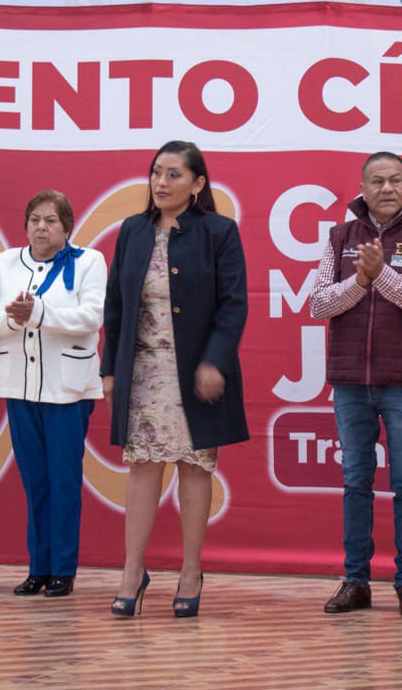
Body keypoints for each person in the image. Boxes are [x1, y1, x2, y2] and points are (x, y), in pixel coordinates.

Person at [101, 140, 248, 618]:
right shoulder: (132, 231)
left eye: (174, 175)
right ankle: (132, 570)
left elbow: (233, 306)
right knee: (142, 468)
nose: (161, 183)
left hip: (193, 372)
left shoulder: (219, 232)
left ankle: (190, 571)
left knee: (193, 468)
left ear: (198, 184)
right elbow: (115, 307)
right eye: (156, 173)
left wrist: (214, 362)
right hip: (142, 370)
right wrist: (108, 370)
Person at [311, 151, 402, 619]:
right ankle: (356, 580)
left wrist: (381, 275)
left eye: (394, 180)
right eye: (377, 181)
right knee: (355, 482)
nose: (386, 189)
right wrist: (360, 281)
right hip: (350, 380)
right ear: (362, 188)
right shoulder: (338, 236)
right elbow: (318, 305)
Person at [0, 190, 106, 598]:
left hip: (67, 388)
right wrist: (15, 320)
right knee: (35, 481)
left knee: (64, 480)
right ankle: (38, 567)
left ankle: (63, 570)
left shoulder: (89, 262)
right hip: (19, 386)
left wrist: (40, 314)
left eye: (51, 221)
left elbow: (92, 316)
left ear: (67, 227)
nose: (41, 227)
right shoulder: (6, 262)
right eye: (35, 219)